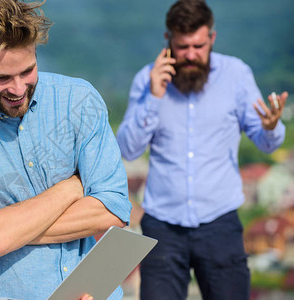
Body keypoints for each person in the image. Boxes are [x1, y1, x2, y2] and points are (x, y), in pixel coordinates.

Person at [0, 0, 131, 299]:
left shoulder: (79, 100)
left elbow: (113, 210)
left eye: (27, 71)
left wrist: (8, 231)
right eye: (2, 78)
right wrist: (72, 188)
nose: (18, 89)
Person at [116, 0, 288, 299]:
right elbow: (128, 151)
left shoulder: (236, 74)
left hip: (220, 222)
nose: (192, 55)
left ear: (212, 38)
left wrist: (271, 127)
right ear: (168, 40)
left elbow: (264, 140)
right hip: (162, 226)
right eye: (183, 47)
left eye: (198, 45)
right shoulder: (147, 79)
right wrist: (154, 98)